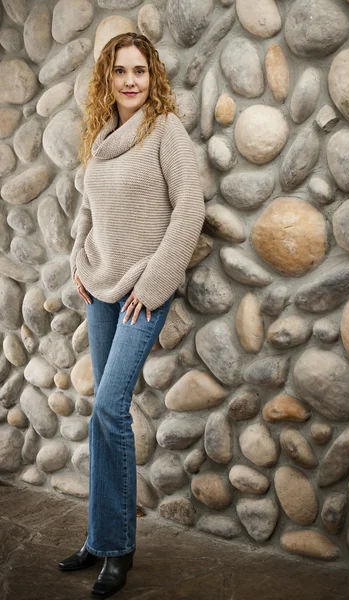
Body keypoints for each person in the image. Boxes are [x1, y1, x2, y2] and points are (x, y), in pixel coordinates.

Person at [57, 31, 205, 598]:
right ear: (108, 79)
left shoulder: (166, 130)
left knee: (112, 409)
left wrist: (156, 279)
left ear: (153, 76)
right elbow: (86, 205)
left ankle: (117, 546)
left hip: (146, 285)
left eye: (140, 70)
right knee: (101, 410)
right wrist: (77, 257)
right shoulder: (101, 139)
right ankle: (99, 537)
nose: (130, 80)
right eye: (120, 71)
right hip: (100, 285)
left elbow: (189, 209)